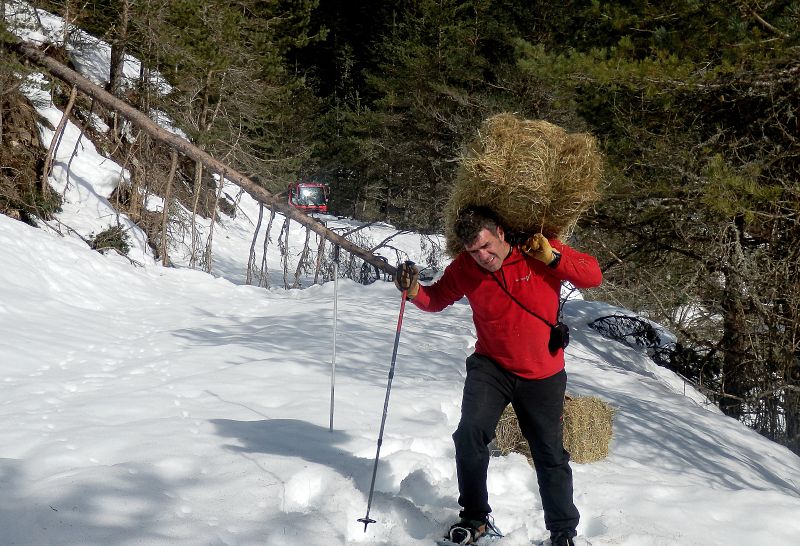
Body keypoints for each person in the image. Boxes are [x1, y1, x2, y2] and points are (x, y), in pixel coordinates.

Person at [394, 206, 602, 546]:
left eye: (487, 246)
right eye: (474, 251)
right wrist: (414, 290)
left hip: (542, 373)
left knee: (549, 452)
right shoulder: (465, 267)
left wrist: (553, 258)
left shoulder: (538, 250)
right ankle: (475, 517)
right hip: (491, 366)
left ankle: (562, 530)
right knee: (469, 434)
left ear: (501, 234)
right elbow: (436, 299)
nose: (483, 256)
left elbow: (592, 276)